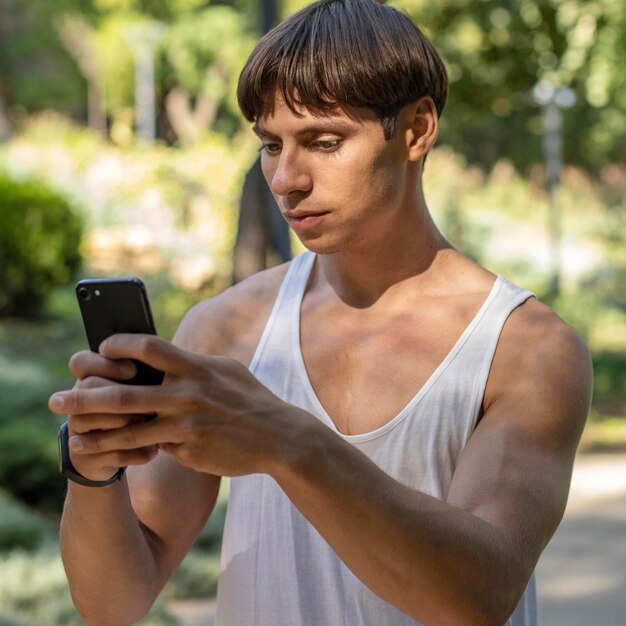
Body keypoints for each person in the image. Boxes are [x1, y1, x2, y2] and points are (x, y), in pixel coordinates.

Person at [49, 1, 592, 625]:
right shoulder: (227, 328)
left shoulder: (524, 347)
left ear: (416, 130)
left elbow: (477, 598)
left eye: (323, 142)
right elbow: (113, 604)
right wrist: (93, 475)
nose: (286, 178)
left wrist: (286, 439)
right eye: (270, 145)